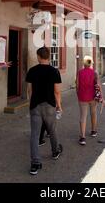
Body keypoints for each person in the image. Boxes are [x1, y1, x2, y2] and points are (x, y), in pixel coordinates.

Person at [26, 47, 63, 175]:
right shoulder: (54, 71)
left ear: (39, 56)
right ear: (48, 56)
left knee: (35, 135)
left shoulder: (32, 71)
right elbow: (57, 91)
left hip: (35, 105)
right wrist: (59, 105)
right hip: (49, 105)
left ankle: (35, 163)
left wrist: (31, 103)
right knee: (52, 130)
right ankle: (55, 151)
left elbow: (29, 90)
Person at [76, 56, 103, 146]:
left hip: (82, 96)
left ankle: (82, 137)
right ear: (91, 63)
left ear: (84, 63)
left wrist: (78, 95)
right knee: (93, 113)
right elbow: (98, 86)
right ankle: (93, 131)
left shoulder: (79, 72)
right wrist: (101, 97)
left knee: (83, 116)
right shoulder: (94, 73)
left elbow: (77, 86)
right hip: (92, 97)